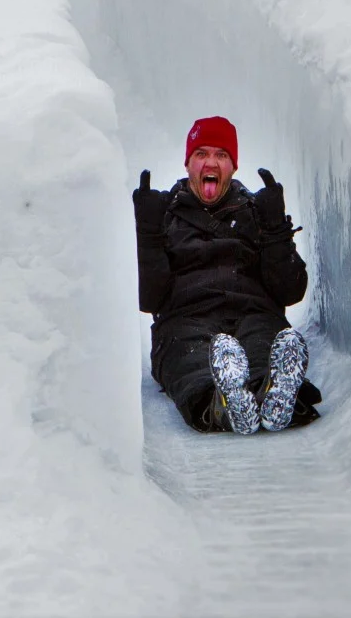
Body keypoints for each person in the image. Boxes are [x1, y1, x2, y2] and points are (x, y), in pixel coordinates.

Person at [132, 116, 321, 434]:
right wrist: (148, 234)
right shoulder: (165, 214)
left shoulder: (255, 213)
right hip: (185, 317)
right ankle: (221, 404)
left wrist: (275, 228)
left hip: (253, 311)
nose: (211, 162)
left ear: (233, 166)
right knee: (190, 357)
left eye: (221, 155)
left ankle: (273, 395)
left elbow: (290, 291)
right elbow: (149, 297)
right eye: (201, 154)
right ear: (188, 163)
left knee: (264, 344)